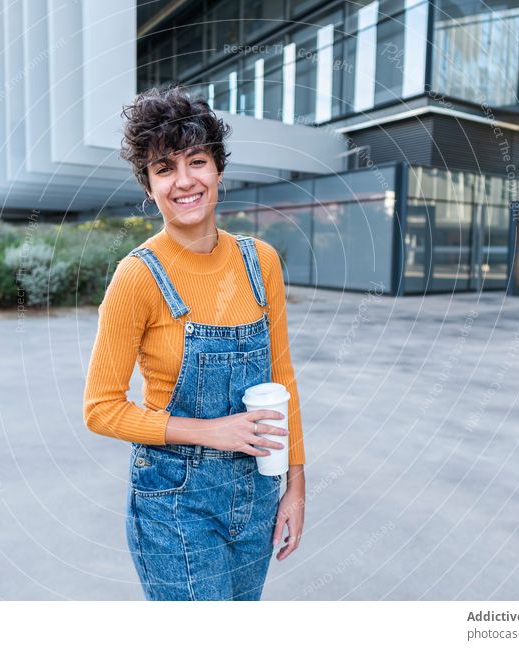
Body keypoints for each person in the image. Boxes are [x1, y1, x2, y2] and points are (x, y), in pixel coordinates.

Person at [83, 84, 305, 600]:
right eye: (164, 168)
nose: (184, 181)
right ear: (150, 185)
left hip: (258, 494)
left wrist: (294, 486)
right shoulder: (137, 277)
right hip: (174, 503)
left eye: (197, 161)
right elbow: (101, 409)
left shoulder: (261, 262)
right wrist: (211, 432)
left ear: (219, 170)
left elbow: (283, 380)